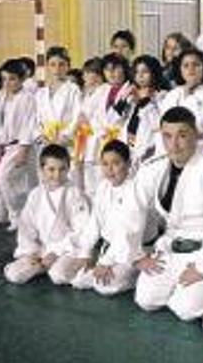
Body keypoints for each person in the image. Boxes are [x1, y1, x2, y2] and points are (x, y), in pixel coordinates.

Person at [133, 107, 203, 321]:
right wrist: (136, 255)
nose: (174, 144)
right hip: (170, 248)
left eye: (182, 135)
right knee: (146, 300)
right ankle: (178, 288)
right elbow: (132, 211)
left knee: (185, 310)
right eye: (167, 136)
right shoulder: (153, 166)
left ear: (196, 135)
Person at [71, 140, 154, 296]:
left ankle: (136, 275)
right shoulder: (103, 187)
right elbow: (94, 223)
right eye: (105, 164)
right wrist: (85, 253)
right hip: (111, 249)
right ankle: (113, 270)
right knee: (77, 280)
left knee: (105, 287)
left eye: (116, 163)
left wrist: (105, 262)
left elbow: (128, 232)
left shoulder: (135, 189)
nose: (110, 169)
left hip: (134, 250)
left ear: (128, 164)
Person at [4, 144, 90, 285]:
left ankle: (52, 266)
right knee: (14, 274)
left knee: (58, 275)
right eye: (51, 169)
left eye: (62, 169)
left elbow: (81, 230)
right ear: (42, 169)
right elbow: (26, 227)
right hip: (42, 250)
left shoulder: (74, 193)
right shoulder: (35, 194)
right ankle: (42, 266)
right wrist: (31, 252)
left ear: (68, 168)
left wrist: (56, 252)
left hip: (69, 249)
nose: (57, 175)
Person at [0, 58, 38, 231]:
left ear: (21, 79)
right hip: (6, 145)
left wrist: (24, 148)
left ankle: (22, 215)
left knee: (4, 178)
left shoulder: (27, 99)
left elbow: (29, 124)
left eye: (12, 79)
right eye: (4, 79)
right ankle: (19, 216)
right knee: (16, 182)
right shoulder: (0, 98)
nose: (7, 83)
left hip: (22, 145)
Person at [72, 56, 106, 199]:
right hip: (84, 139)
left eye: (89, 72)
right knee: (83, 182)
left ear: (99, 75)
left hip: (97, 138)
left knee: (97, 182)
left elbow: (103, 118)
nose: (85, 76)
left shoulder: (104, 90)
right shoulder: (85, 93)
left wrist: (87, 122)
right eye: (84, 72)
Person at [160, 48, 203, 135]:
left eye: (196, 65)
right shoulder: (172, 94)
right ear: (180, 70)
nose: (191, 69)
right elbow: (162, 123)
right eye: (186, 65)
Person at [35, 46, 81, 147]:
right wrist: (41, 136)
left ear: (68, 66)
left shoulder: (73, 89)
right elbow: (35, 119)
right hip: (44, 141)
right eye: (52, 65)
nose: (57, 69)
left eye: (61, 65)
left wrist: (64, 137)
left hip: (65, 141)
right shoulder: (41, 93)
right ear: (47, 66)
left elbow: (77, 116)